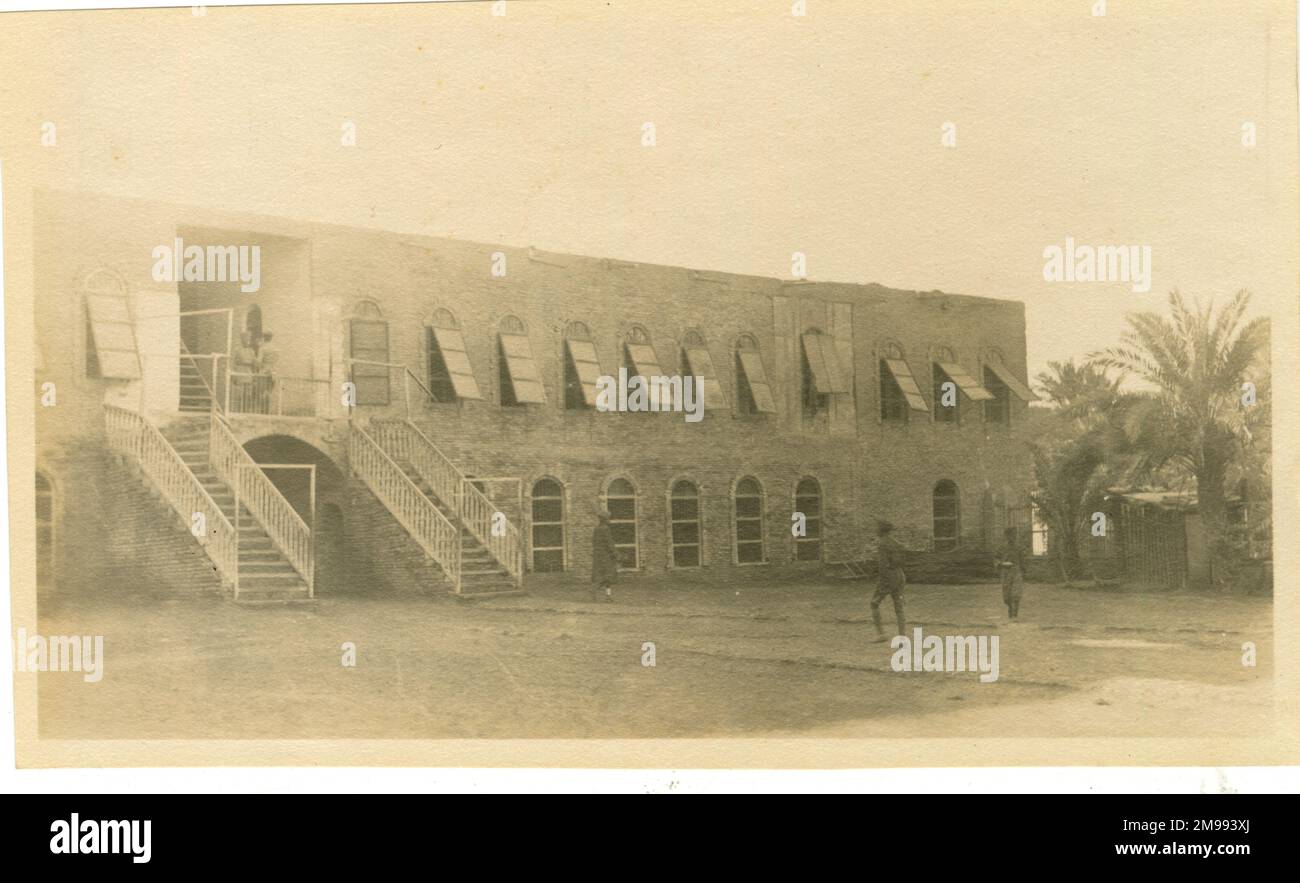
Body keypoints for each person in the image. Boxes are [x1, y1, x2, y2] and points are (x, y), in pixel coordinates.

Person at [871, 520, 908, 642]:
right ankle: (902, 638)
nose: (875, 530)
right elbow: (903, 559)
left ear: (881, 530)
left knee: (874, 603)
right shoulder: (897, 543)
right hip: (900, 575)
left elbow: (882, 566)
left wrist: (883, 581)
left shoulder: (882, 544)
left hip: (888, 577)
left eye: (877, 528)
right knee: (899, 606)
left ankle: (881, 634)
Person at [995, 526, 1026, 621]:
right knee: (1006, 597)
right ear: (1006, 536)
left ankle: (1014, 616)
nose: (1012, 537)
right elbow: (996, 559)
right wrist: (1002, 563)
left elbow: (1023, 560)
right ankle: (1010, 609)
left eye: (1014, 535)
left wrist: (1023, 572)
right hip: (1005, 573)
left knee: (1016, 594)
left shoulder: (1019, 547)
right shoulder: (1001, 548)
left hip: (1016, 572)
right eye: (1010, 535)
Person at [590, 509, 618, 602]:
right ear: (605, 519)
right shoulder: (606, 529)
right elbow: (609, 543)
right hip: (606, 556)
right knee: (608, 576)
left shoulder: (596, 529)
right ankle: (606, 596)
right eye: (607, 518)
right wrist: (615, 554)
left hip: (598, 556)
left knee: (599, 575)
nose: (608, 520)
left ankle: (598, 594)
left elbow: (594, 542)